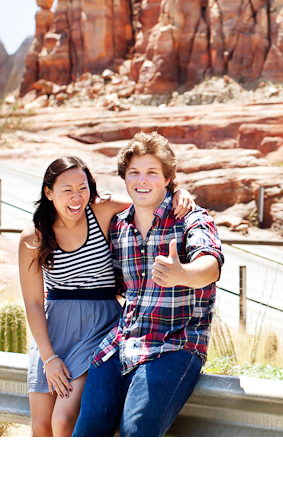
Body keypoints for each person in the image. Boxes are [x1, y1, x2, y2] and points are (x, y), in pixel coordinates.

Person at [19, 155, 195, 437]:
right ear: (48, 192)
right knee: (40, 428)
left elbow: (149, 199)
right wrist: (48, 357)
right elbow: (33, 302)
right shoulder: (34, 236)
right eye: (67, 190)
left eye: (83, 188)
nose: (76, 198)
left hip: (98, 323)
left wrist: (178, 192)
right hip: (52, 331)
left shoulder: (100, 211)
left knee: (63, 421)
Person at [72, 132, 223, 437]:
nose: (143, 180)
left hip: (174, 344)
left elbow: (212, 264)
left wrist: (184, 274)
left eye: (152, 172)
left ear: (168, 179)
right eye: (134, 173)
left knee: (136, 433)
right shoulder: (119, 226)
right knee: (86, 434)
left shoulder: (190, 218)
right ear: (124, 179)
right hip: (120, 345)